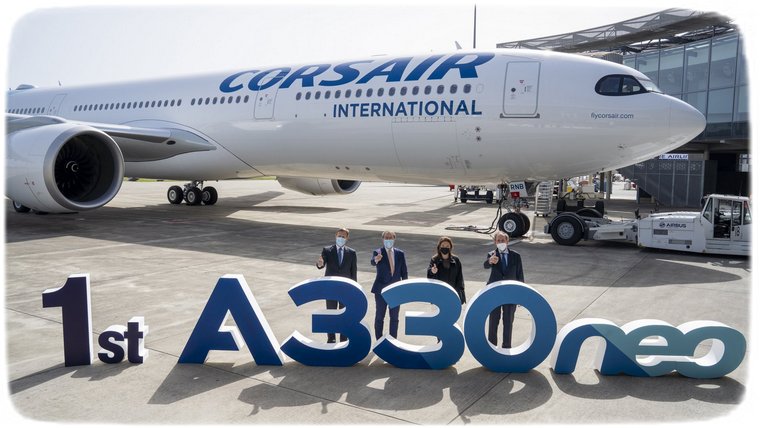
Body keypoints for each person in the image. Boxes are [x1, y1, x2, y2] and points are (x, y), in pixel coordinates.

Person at [483, 230, 524, 348]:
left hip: (511, 293)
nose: (501, 242)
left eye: (503, 240)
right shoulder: (492, 254)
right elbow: (485, 266)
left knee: (508, 321)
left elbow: (520, 275)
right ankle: (492, 346)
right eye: (498, 240)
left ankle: (506, 347)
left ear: (507, 241)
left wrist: (521, 294)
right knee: (493, 321)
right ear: (495, 242)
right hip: (495, 292)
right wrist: (490, 261)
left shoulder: (516, 256)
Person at [316, 227, 357, 343]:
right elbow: (321, 263)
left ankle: (344, 339)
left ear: (347, 238)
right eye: (339, 236)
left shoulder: (352, 253)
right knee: (331, 313)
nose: (341, 238)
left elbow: (353, 272)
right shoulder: (327, 250)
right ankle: (331, 338)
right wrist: (320, 264)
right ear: (335, 236)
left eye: (343, 236)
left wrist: (354, 289)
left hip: (345, 289)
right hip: (331, 288)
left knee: (344, 314)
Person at [370, 231, 408, 339]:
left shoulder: (400, 253)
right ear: (383, 239)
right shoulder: (378, 252)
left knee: (394, 317)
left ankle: (393, 339)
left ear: (394, 239)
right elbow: (372, 262)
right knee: (379, 316)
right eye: (386, 238)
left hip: (395, 290)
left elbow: (404, 271)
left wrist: (405, 287)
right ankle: (379, 339)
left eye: (390, 238)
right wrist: (376, 260)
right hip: (381, 290)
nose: (388, 240)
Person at [427, 236, 466, 304]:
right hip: (439, 293)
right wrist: (432, 271)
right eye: (443, 245)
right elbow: (429, 273)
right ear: (439, 247)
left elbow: (460, 277)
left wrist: (460, 291)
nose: (445, 247)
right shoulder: (434, 259)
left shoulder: (456, 260)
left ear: (450, 247)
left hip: (453, 292)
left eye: (447, 246)